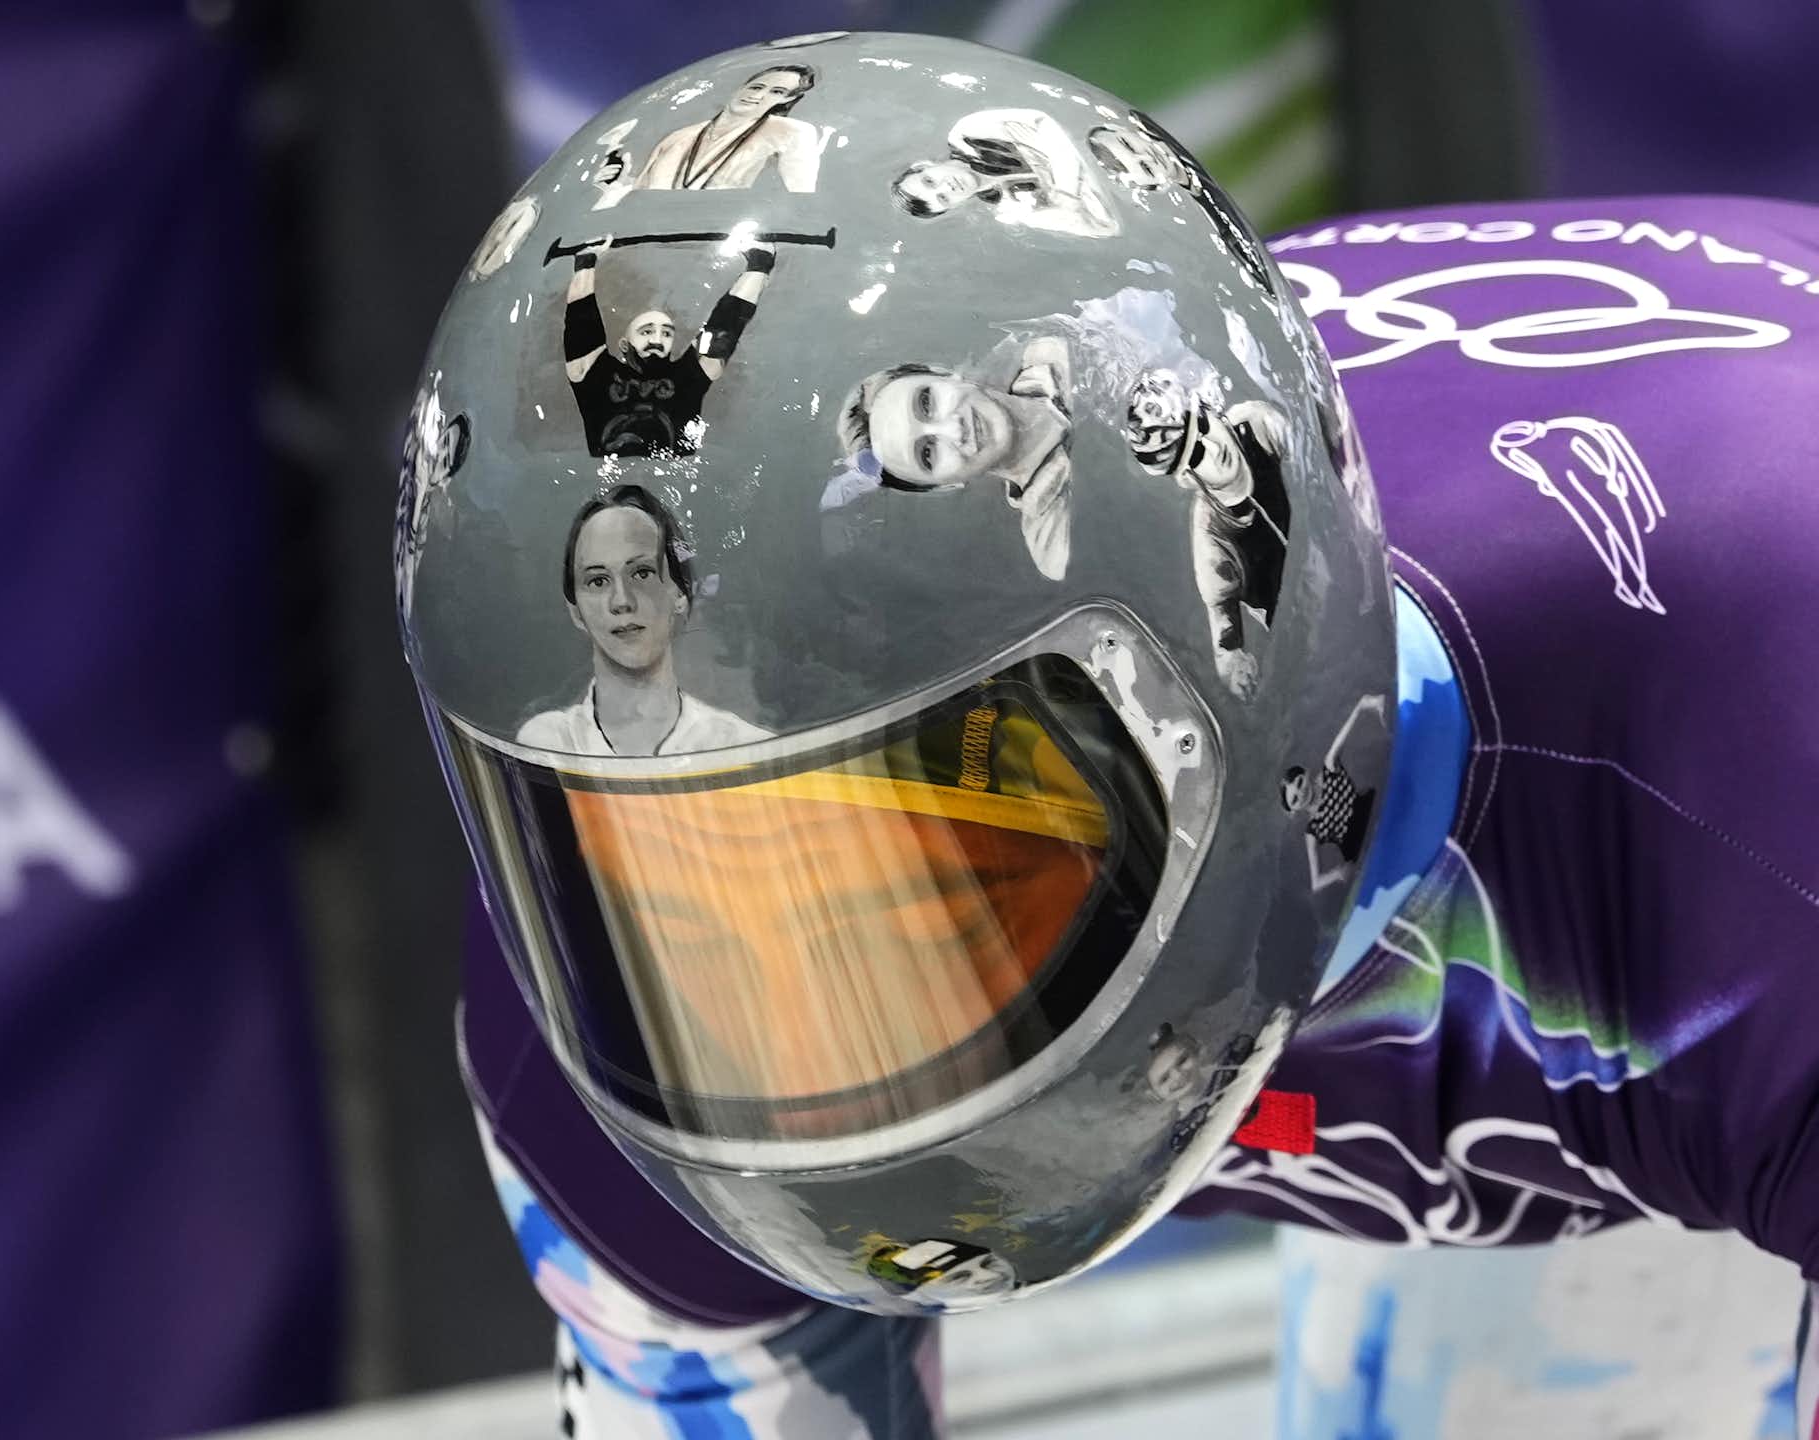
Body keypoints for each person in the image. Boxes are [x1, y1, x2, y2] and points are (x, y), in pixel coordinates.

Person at [403, 35, 1819, 1440]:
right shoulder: (592, 882)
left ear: (1228, 685)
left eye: (952, 867)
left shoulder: (1763, 794)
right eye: (685, 893)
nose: (792, 1026)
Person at [517, 485, 768, 757]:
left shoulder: (744, 747)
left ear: (680, 593)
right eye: (598, 581)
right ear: (575, 611)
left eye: (641, 573)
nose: (621, 601)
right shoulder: (547, 744)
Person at [836, 337, 1073, 579]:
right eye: (927, 454)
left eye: (926, 403)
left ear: (945, 374)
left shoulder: (1054, 349)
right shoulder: (1054, 549)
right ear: (946, 486)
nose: (954, 429)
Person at [1125, 370, 1293, 697]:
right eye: (1196, 454)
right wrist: (1235, 667)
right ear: (1185, 478)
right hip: (1296, 621)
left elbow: (1317, 477)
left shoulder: (1257, 425)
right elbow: (1225, 638)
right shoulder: (1211, 537)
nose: (1213, 449)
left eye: (1202, 424)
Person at [562, 238, 774, 457]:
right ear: (624, 344)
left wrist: (760, 264)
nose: (657, 339)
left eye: (666, 333)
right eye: (646, 332)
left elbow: (725, 326)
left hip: (674, 468)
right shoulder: (596, 374)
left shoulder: (687, 376)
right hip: (614, 467)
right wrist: (586, 264)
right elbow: (581, 324)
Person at [891, 108, 1114, 237]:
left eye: (929, 181)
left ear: (924, 165)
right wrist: (1047, 157)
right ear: (954, 206)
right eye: (943, 198)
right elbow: (1104, 227)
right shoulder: (1015, 206)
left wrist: (1066, 192)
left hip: (1106, 132)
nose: (947, 187)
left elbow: (1048, 120)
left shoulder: (968, 133)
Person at [626, 65, 823, 197]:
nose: (758, 95)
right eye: (756, 87)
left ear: (788, 99)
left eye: (777, 91)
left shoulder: (791, 132)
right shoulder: (678, 137)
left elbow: (799, 195)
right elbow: (638, 196)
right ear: (740, 88)